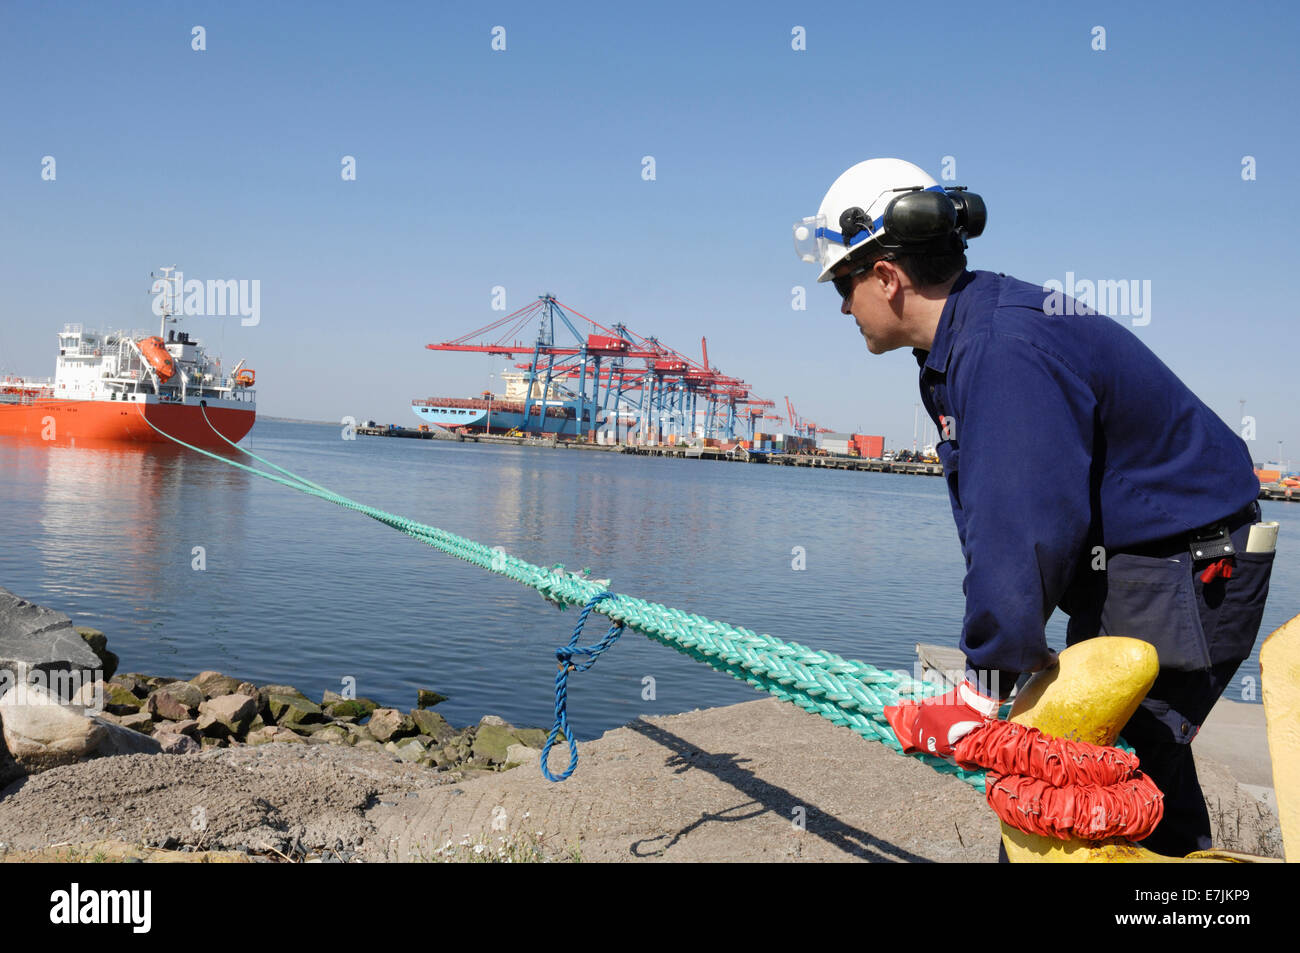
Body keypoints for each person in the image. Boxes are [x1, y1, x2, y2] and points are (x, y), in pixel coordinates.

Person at [793, 158, 1275, 857]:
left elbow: (1020, 529)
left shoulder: (999, 347)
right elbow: (1004, 522)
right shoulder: (972, 334)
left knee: (1076, 780)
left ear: (886, 277)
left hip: (1186, 569)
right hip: (1149, 564)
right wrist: (995, 667)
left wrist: (981, 690)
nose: (841, 306)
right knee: (1124, 777)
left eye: (843, 284)